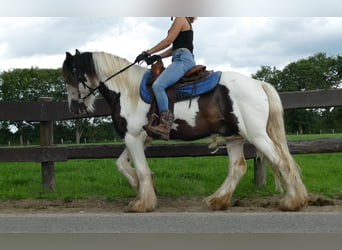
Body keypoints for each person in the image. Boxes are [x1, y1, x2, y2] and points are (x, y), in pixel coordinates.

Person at [135, 17, 196, 140]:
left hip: (182, 60)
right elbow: (175, 47)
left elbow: (168, 40)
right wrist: (157, 56)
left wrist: (148, 52)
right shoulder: (185, 21)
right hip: (181, 57)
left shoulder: (180, 18)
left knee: (158, 85)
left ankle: (165, 124)